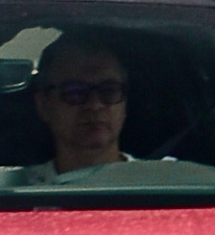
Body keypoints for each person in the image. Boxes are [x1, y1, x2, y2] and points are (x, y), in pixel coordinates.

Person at [23, 34, 133, 181]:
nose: (95, 105)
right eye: (75, 92)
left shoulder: (163, 182)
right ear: (43, 105)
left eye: (109, 91)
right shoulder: (16, 191)